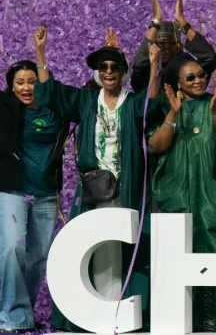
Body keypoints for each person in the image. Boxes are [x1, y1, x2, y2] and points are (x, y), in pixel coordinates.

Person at [34, 29, 161, 332]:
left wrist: (156, 66)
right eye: (102, 68)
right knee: (98, 251)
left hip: (126, 187)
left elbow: (152, 106)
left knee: (126, 250)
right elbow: (49, 92)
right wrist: (41, 52)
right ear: (97, 73)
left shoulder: (131, 102)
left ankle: (122, 312)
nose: (107, 72)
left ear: (122, 72)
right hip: (95, 191)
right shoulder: (87, 102)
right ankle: (97, 311)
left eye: (113, 67)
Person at [147, 54, 216, 331]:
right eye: (191, 77)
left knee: (213, 251)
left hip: (212, 190)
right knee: (178, 254)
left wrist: (215, 113)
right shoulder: (166, 106)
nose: (200, 80)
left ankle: (212, 317)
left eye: (202, 75)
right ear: (176, 82)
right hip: (177, 191)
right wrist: (173, 114)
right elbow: (156, 146)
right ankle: (182, 316)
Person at [0, 38, 69, 332]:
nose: (26, 87)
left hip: (46, 194)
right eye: (19, 82)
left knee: (39, 256)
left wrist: (41, 53)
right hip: (13, 191)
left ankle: (22, 316)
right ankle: (13, 317)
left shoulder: (55, 111)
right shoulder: (5, 110)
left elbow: (50, 89)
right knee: (12, 250)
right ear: (11, 87)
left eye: (31, 81)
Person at [132, 0, 216, 92]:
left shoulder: (187, 68)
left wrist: (182, 22)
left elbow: (209, 58)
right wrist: (156, 21)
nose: (162, 48)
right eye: (158, 44)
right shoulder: (149, 69)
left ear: (179, 46)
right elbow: (139, 65)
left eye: (167, 44)